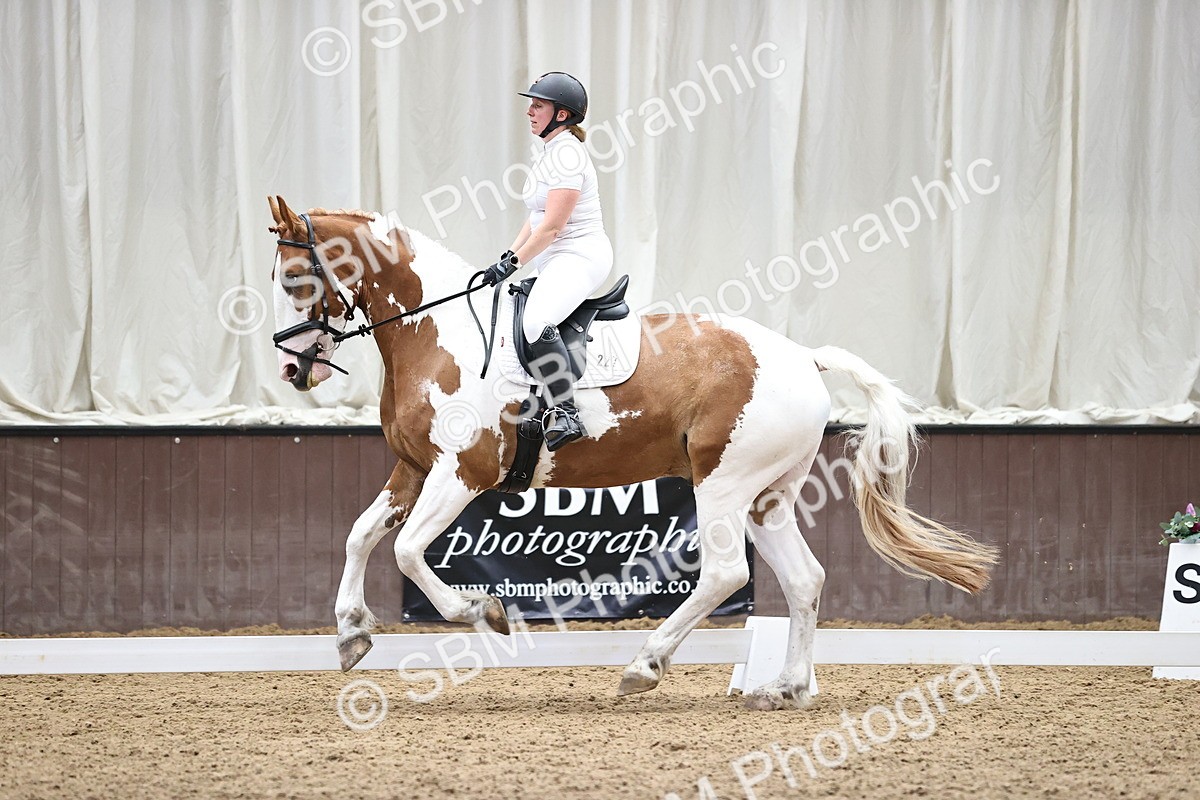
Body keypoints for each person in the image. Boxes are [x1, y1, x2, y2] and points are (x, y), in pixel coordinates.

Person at [483, 72, 614, 451]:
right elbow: (535, 217)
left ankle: (566, 411)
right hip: (554, 256)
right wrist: (509, 256)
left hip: (580, 254)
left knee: (537, 321)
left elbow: (553, 227)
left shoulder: (568, 155)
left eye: (538, 105)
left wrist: (514, 265)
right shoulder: (550, 152)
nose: (529, 111)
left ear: (561, 115)